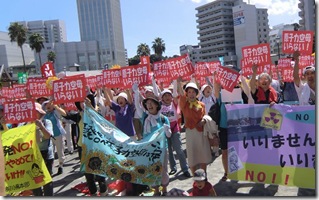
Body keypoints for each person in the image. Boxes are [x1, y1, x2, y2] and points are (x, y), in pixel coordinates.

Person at [133, 86, 172, 196]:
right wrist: (136, 93)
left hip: (161, 149)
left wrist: (166, 130)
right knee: (151, 169)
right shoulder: (145, 117)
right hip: (149, 150)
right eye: (147, 104)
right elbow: (137, 106)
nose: (149, 105)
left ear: (157, 105)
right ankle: (156, 190)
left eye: (151, 103)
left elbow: (169, 135)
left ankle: (164, 189)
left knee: (163, 169)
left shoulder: (164, 119)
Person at [177, 79, 212, 176]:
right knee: (192, 157)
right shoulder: (184, 104)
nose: (191, 94)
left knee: (203, 156)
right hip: (190, 133)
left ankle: (204, 176)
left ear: (197, 93)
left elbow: (206, 116)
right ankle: (195, 178)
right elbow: (181, 94)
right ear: (186, 94)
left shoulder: (202, 105)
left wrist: (203, 121)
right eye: (189, 92)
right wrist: (178, 81)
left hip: (201, 133)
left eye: (193, 92)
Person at [159, 86, 191, 178]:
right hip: (164, 130)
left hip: (175, 128)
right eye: (165, 96)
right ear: (162, 97)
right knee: (169, 150)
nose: (167, 97)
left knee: (179, 149)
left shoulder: (174, 103)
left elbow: (176, 95)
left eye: (169, 95)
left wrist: (175, 81)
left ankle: (185, 168)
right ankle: (173, 168)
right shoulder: (159, 106)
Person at [32, 102, 55, 196]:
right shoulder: (24, 124)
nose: (33, 114)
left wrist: (41, 126)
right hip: (32, 156)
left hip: (46, 156)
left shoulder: (47, 122)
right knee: (35, 183)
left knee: (47, 182)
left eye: (35, 112)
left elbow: (48, 135)